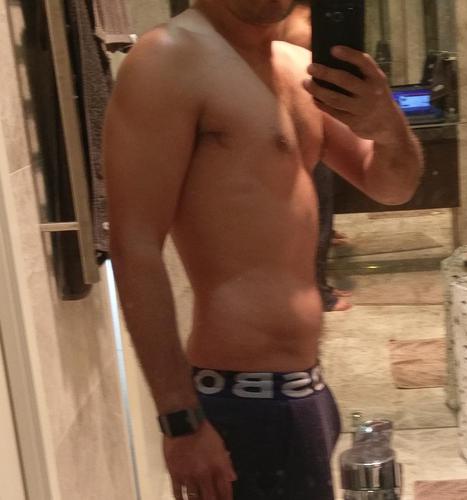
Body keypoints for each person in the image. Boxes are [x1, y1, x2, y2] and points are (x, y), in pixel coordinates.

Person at [103, 1, 423, 499]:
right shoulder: (167, 59)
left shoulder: (300, 69)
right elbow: (134, 247)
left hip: (309, 393)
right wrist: (181, 422)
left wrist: (388, 124)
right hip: (236, 406)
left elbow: (392, 186)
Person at [281, 0, 352, 312]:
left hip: (302, 121)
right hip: (305, 123)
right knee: (319, 213)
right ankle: (320, 292)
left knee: (317, 213)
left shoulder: (290, 22)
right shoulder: (301, 26)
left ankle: (316, 286)